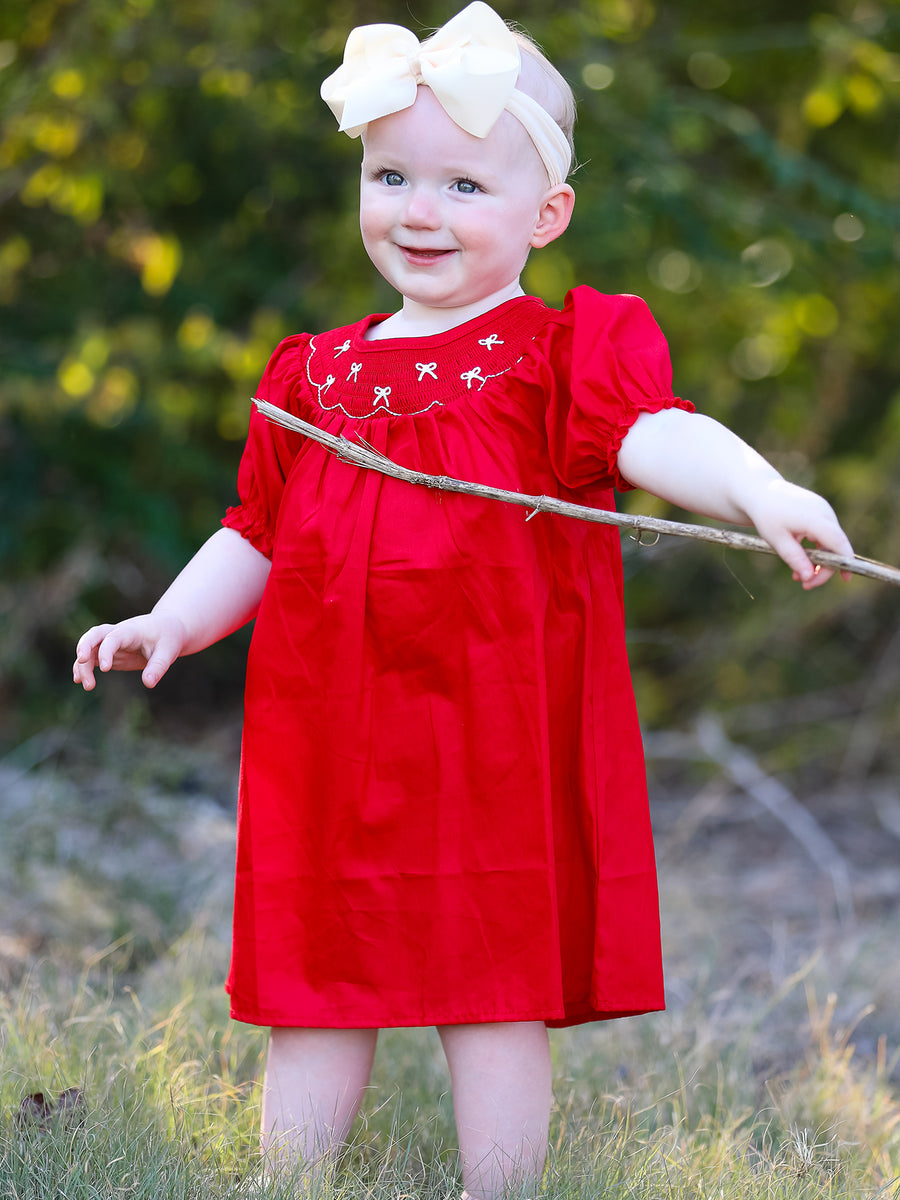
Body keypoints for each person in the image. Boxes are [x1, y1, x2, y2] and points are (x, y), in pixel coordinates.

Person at [73, 4, 854, 1197]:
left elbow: (658, 432)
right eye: (392, 176)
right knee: (317, 972)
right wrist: (169, 621)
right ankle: (289, 1181)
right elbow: (259, 532)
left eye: (463, 186)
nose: (420, 211)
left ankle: (502, 1186)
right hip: (332, 731)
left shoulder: (559, 357)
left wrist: (758, 488)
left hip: (490, 729)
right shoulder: (314, 375)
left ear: (547, 215)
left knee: (492, 976)